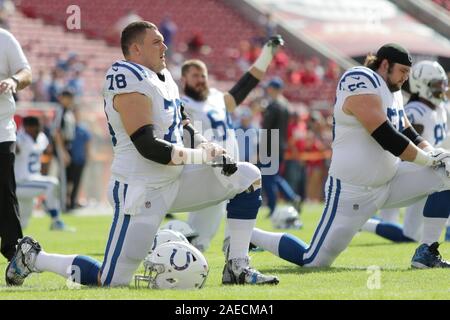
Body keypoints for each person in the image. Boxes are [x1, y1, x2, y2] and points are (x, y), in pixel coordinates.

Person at [5, 21, 279, 287]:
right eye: (156, 42)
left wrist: (207, 146)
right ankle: (34, 257)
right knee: (111, 280)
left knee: (248, 177)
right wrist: (202, 157)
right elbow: (148, 146)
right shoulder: (124, 77)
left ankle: (237, 266)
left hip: (176, 179)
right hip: (140, 189)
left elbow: (182, 124)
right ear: (136, 49)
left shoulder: (164, 77)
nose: (165, 47)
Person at [249, 43, 450, 269]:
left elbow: (406, 130)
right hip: (352, 191)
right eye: (402, 71)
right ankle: (248, 235)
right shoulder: (359, 79)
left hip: (390, 181)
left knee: (447, 172)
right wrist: (427, 159)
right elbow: (385, 135)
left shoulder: (394, 93)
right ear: (385, 64)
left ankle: (427, 252)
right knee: (313, 261)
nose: (405, 78)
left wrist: (433, 153)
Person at [180, 35, 284, 252]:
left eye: (203, 75)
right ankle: (239, 246)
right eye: (194, 75)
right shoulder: (181, 103)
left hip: (227, 166)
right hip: (204, 170)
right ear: (184, 79)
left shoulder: (218, 98)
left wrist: (266, 54)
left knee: (205, 238)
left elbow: (247, 83)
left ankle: (236, 248)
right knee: (199, 236)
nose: (200, 79)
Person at [362, 60, 450, 242]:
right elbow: (399, 143)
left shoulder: (441, 109)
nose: (441, 90)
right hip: (408, 170)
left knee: (412, 235)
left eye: (442, 85)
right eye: (436, 86)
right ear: (420, 85)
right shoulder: (413, 111)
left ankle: (361, 222)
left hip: (429, 168)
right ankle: (362, 223)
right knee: (409, 235)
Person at [0, 28, 31, 262]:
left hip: (1, 129)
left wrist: (13, 80)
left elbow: (26, 73)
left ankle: (14, 252)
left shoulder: (4, 38)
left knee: (4, 191)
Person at [15, 116, 72, 231]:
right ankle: (56, 221)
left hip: (32, 182)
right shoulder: (19, 138)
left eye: (39, 127)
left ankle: (15, 246)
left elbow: (47, 153)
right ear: (26, 127)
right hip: (20, 183)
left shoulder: (41, 137)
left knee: (22, 224)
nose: (39, 129)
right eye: (35, 127)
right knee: (52, 183)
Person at [260, 77, 302, 216]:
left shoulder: (273, 105)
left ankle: (273, 208)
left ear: (273, 88)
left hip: (271, 145)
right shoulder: (285, 105)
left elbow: (266, 128)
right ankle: (292, 198)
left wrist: (261, 148)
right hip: (280, 145)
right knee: (275, 176)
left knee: (268, 177)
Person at [66, 109, 91, 210]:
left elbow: (87, 144)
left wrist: (87, 156)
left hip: (80, 159)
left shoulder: (83, 129)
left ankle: (72, 202)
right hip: (69, 160)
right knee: (68, 182)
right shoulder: (68, 128)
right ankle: (66, 201)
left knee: (76, 182)